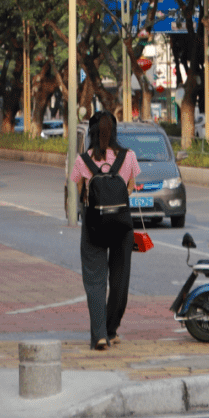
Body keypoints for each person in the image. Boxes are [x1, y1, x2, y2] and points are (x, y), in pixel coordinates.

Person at [71, 111, 139, 351]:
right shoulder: (128, 156)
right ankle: (112, 329)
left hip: (93, 226)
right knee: (120, 280)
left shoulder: (82, 160)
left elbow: (80, 192)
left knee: (95, 281)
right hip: (122, 225)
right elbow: (131, 188)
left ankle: (99, 335)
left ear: (92, 132)